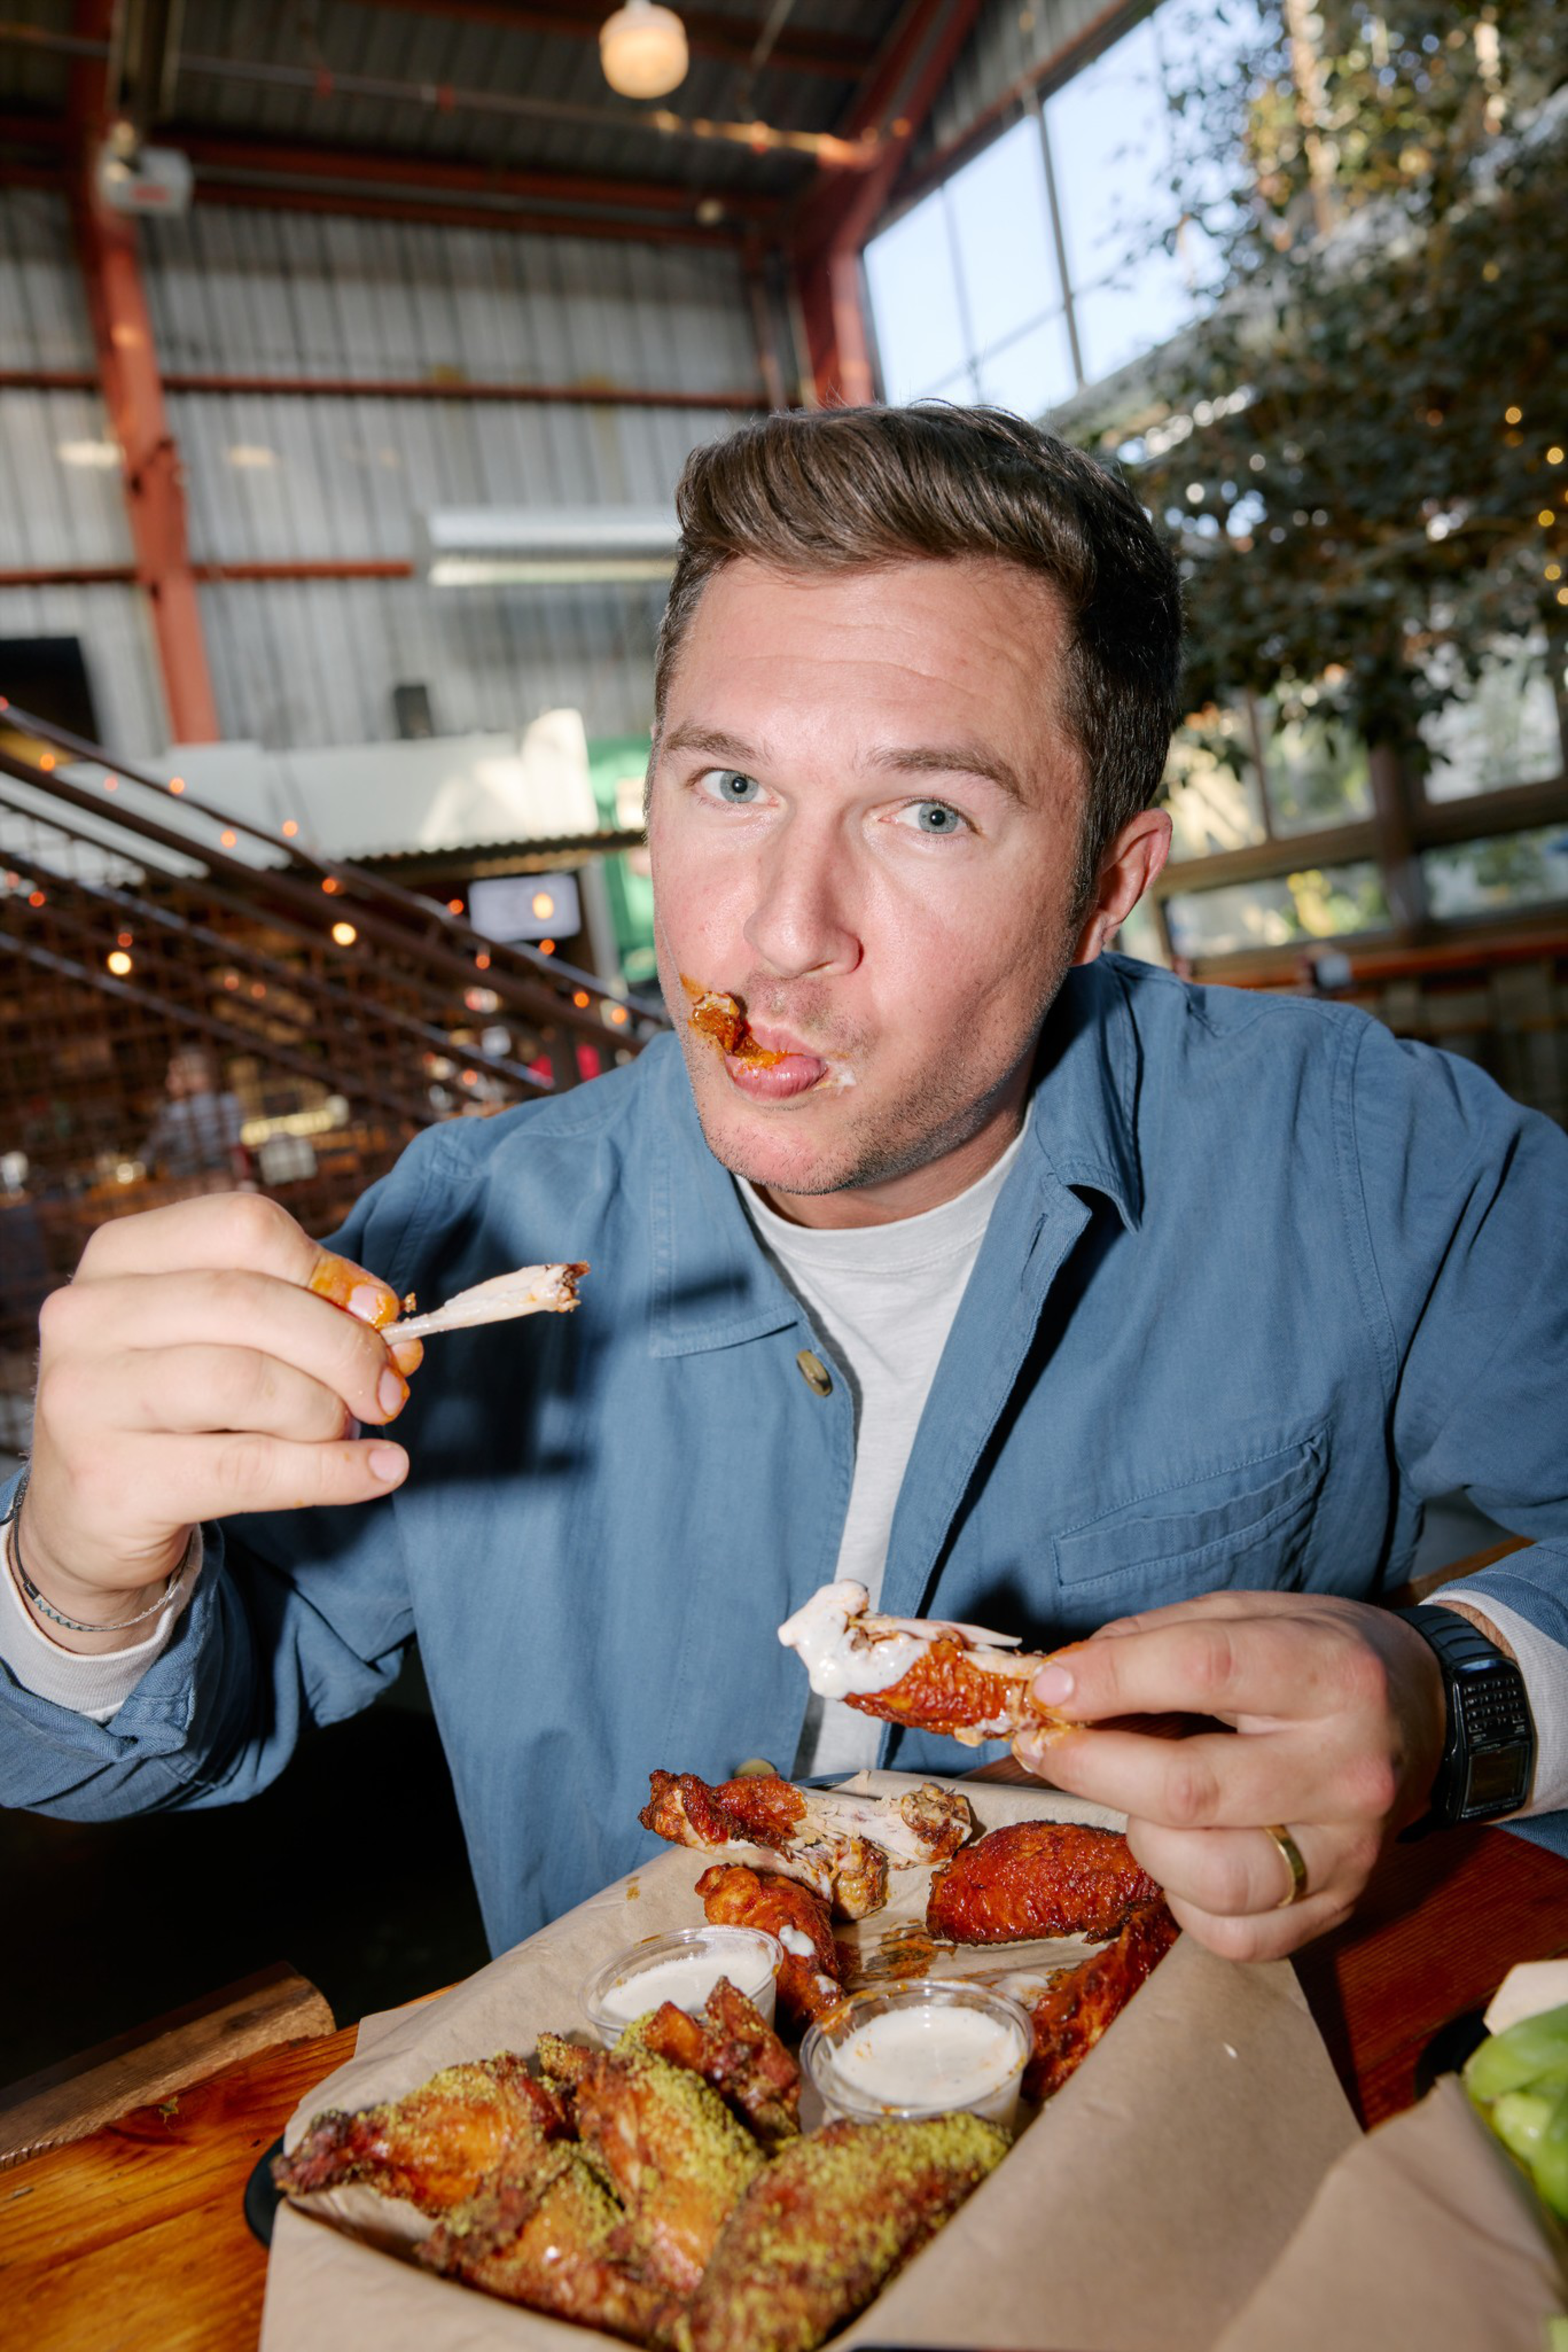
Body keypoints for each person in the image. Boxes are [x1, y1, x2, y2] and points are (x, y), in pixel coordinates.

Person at [2, 407, 1565, 1970]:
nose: (779, 931)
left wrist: (1456, 1696)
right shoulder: (469, 1231)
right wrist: (78, 1571)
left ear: (1108, 887)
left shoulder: (1369, 1153)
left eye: (928, 814)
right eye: (732, 788)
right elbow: (129, 1737)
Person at [140, 1043, 247, 1186]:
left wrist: (147, 1164)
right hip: (227, 1179)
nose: (168, 1082)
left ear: (196, 1078)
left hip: (188, 1184)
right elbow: (235, 1145)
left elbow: (151, 1153)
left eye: (174, 1075)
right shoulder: (230, 1103)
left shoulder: (174, 1114)